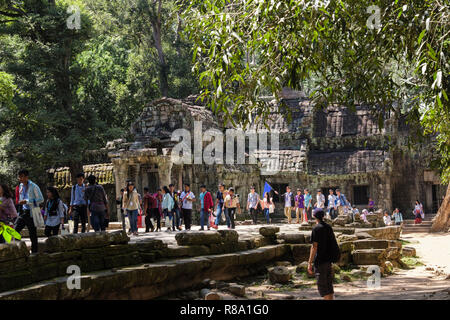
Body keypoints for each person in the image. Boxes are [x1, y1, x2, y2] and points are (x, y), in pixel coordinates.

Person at [307, 208, 340, 300]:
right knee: (328, 285)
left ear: (314, 217)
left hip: (320, 261)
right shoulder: (328, 227)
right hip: (328, 261)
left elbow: (314, 247)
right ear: (323, 216)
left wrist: (309, 262)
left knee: (323, 286)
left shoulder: (316, 229)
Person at [15, 169, 44, 253]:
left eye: (21, 176)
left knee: (32, 234)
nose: (20, 178)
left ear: (26, 177)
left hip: (31, 213)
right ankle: (19, 248)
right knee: (15, 230)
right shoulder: (20, 186)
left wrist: (27, 201)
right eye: (19, 176)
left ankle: (34, 252)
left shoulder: (34, 186)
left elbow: (41, 199)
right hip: (23, 212)